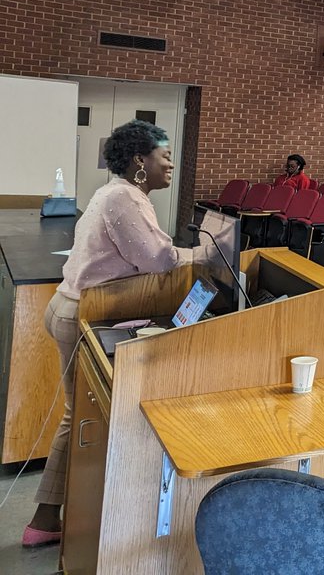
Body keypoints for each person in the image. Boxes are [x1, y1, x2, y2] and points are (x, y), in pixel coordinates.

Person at [26, 121, 193, 547]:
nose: (171, 161)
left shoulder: (119, 192)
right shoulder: (123, 195)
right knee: (78, 417)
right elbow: (158, 259)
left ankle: (50, 518)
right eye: (164, 154)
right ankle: (45, 520)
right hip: (79, 312)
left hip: (71, 308)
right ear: (141, 160)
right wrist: (205, 255)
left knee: (78, 414)